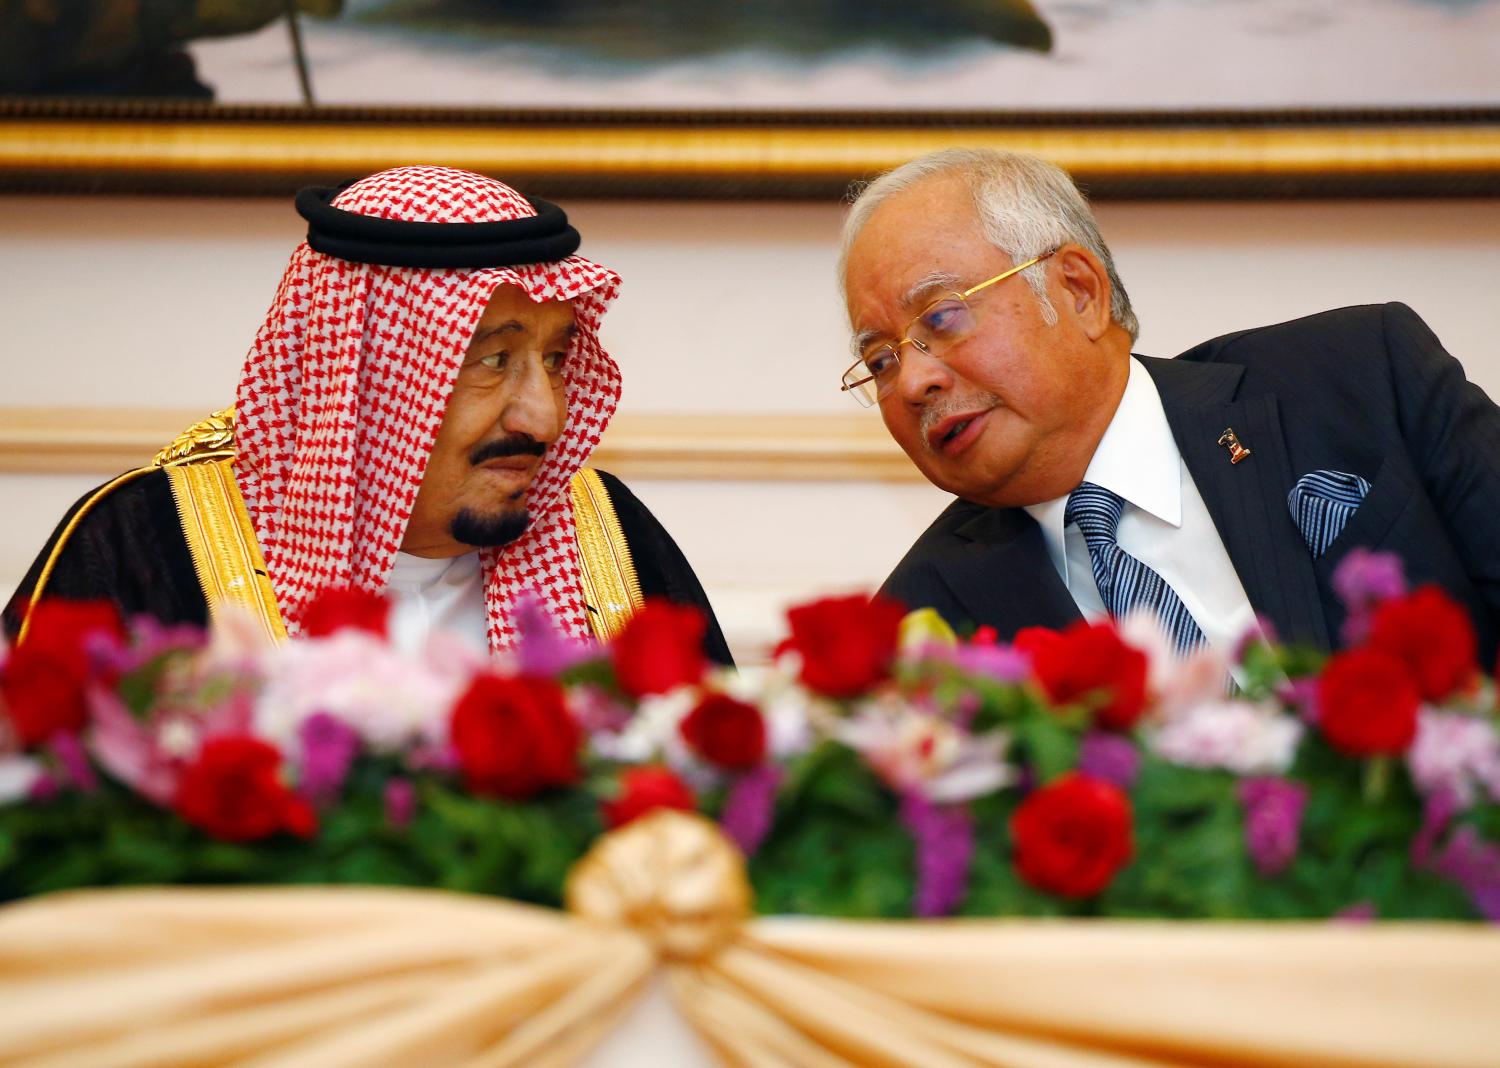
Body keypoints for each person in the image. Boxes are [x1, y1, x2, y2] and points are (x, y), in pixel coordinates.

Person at [4, 166, 731, 663]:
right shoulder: (142, 550)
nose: (545, 420)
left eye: (557, 359)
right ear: (372, 376)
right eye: (492, 361)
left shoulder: (612, 539)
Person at [839, 148, 1500, 660]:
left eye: (943, 317)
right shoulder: (921, 621)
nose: (914, 381)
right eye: (881, 361)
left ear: (1078, 291)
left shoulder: (1357, 377)